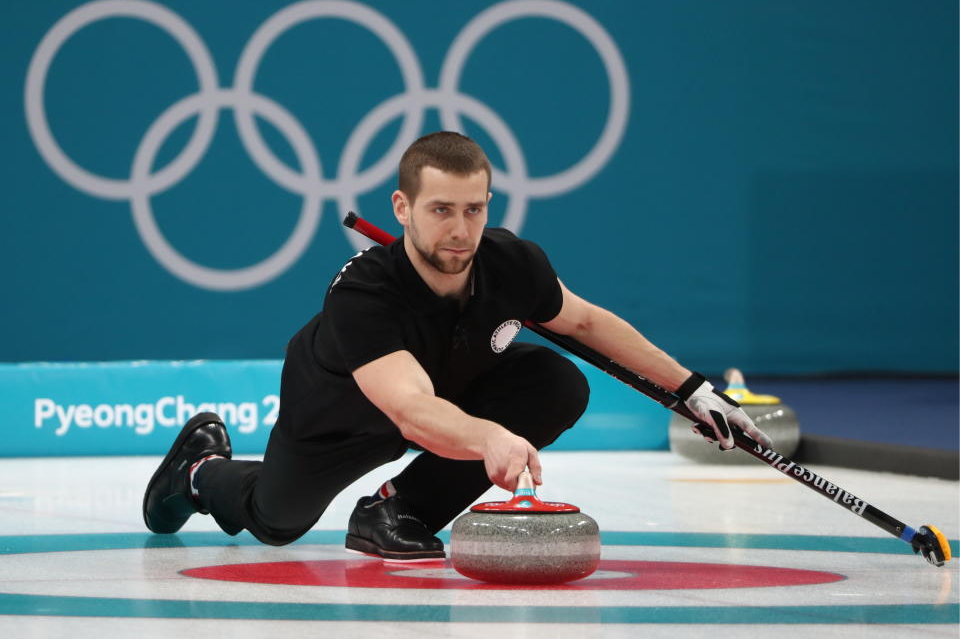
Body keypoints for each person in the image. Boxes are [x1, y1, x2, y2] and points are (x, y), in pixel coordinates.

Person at [143, 131, 772, 559]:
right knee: (277, 521)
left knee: (557, 383)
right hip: (346, 415)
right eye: (441, 209)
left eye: (473, 210)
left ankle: (397, 511)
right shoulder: (364, 294)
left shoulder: (511, 262)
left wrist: (692, 389)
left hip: (452, 387)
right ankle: (200, 471)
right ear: (403, 207)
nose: (460, 229)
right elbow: (410, 411)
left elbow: (583, 324)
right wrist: (488, 439)